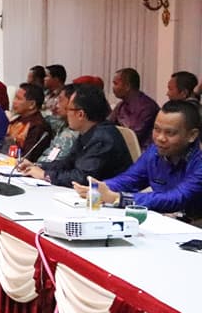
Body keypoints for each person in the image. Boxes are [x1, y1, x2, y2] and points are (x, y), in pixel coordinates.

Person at [72, 101, 202, 221]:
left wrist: (118, 198)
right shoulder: (155, 151)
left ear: (192, 135)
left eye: (170, 133)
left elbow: (176, 198)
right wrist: (100, 188)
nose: (160, 138)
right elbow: (130, 179)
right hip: (167, 220)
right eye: (156, 129)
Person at [17, 83, 132, 187]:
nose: (66, 114)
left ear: (81, 114)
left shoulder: (103, 138)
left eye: (68, 109)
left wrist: (45, 175)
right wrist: (37, 166)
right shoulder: (88, 131)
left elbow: (82, 178)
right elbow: (68, 162)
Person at [108, 67, 159, 151]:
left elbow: (133, 137)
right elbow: (107, 125)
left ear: (127, 86)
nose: (113, 88)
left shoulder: (147, 107)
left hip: (143, 154)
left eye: (115, 84)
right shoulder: (121, 105)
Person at [5, 83, 53, 161]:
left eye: (18, 99)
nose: (14, 102)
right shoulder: (17, 119)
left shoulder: (38, 126)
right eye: (14, 98)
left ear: (32, 104)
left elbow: (29, 156)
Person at [37, 84, 80, 163]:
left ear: (72, 102)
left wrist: (36, 165)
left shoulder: (74, 132)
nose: (56, 105)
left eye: (60, 100)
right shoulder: (62, 124)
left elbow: (54, 161)